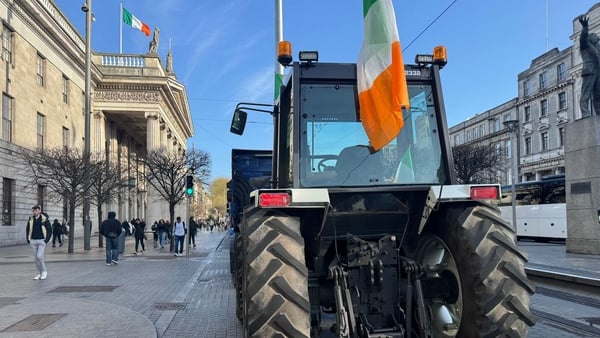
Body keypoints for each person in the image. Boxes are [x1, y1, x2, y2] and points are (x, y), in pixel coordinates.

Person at [578, 15, 600, 117]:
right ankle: (585, 112)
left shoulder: (597, 48)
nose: (598, 38)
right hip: (589, 71)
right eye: (596, 36)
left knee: (598, 95)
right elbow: (583, 38)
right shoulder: (585, 45)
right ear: (591, 38)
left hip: (598, 72)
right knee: (586, 93)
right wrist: (585, 27)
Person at [26, 205, 52, 280]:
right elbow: (27, 229)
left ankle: (44, 271)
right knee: (35, 258)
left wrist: (46, 240)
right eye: (34, 211)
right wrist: (28, 239)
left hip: (41, 241)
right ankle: (38, 273)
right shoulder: (31, 219)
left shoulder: (44, 219)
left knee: (39, 257)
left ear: (40, 211)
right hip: (33, 240)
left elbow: (49, 230)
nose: (35, 212)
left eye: (36, 210)